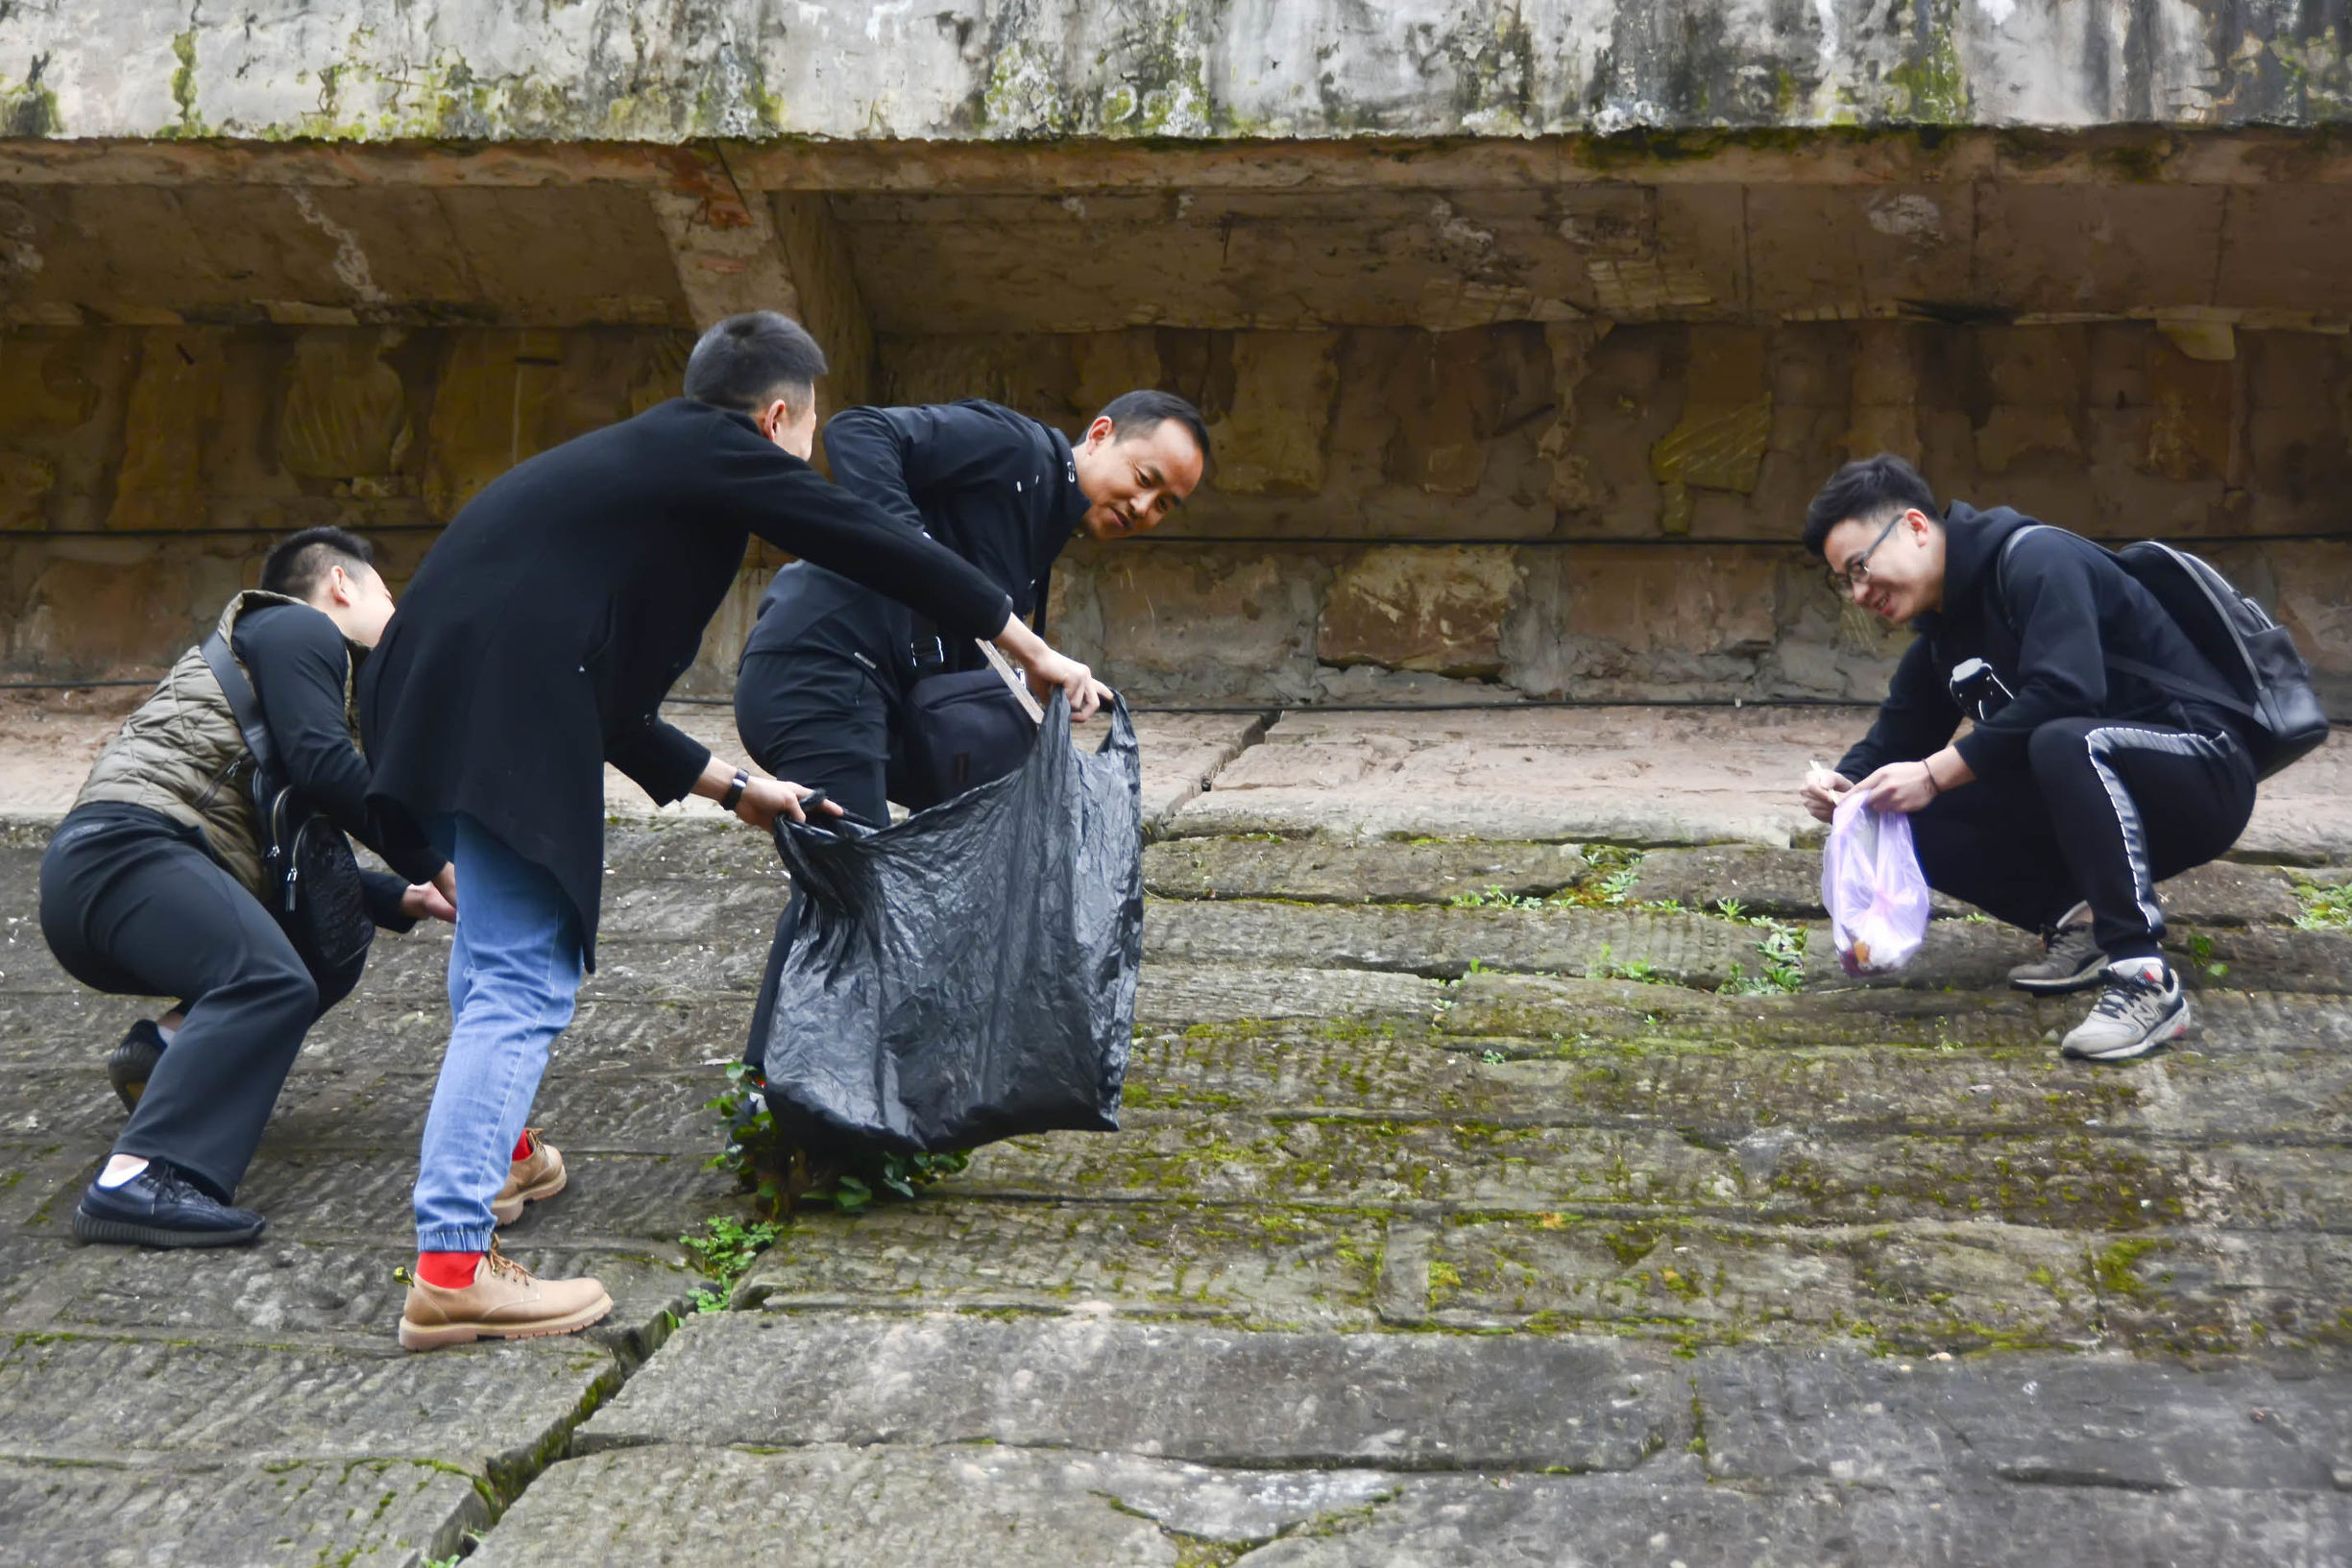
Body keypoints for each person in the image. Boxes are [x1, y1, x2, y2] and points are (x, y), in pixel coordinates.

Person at [360, 311, 1107, 1352]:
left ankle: (502, 1158)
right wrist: (1031, 650)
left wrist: (739, 788)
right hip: (504, 703)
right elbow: (884, 544)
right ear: (776, 418)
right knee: (526, 975)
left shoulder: (647, 481)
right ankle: (450, 1267)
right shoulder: (714, 452)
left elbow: (617, 708)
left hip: (432, 693)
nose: (804, 461)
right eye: (804, 439)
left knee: (496, 957)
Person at [731, 392, 1207, 1069]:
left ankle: (834, 1098)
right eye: (1144, 479)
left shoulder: (1040, 528)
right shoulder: (1017, 450)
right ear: (1099, 436)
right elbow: (859, 430)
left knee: (873, 875)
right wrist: (906, 547)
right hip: (822, 668)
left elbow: (956, 632)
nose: (1143, 508)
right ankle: (776, 1096)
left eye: (1163, 505)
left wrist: (1027, 684)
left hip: (867, 692)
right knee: (852, 882)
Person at [40, 527, 459, 1248]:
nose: (394, 614)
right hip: (127, 853)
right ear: (338, 583)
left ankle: (169, 1047)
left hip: (123, 876)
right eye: (387, 594)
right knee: (267, 979)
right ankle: (139, 1177)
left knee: (306, 955)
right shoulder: (295, 625)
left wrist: (402, 897)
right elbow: (325, 765)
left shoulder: (282, 666)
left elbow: (291, 851)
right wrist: (438, 861)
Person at [1797, 454, 2259, 1063]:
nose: (1858, 593)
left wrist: (1936, 773)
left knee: (2060, 737)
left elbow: (2070, 693)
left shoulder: (2036, 559)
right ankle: (2080, 925)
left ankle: (2145, 980)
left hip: (2202, 772)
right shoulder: (1942, 636)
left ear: (1913, 526)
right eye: (1844, 581)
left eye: (1860, 567)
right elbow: (1897, 738)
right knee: (1891, 804)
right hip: (2094, 801)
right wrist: (1846, 786)